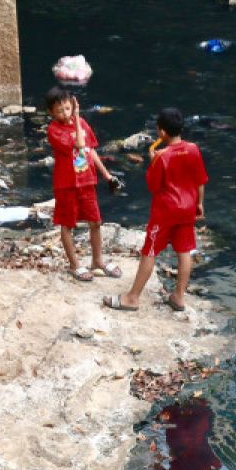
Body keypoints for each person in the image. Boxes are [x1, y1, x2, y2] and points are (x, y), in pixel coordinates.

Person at [103, 106, 207, 311]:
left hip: (166, 211)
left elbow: (153, 186)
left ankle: (132, 298)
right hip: (187, 208)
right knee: (184, 251)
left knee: (149, 251)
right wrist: (199, 204)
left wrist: (153, 163)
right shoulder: (194, 149)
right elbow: (200, 180)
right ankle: (178, 296)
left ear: (161, 132)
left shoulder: (162, 156)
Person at [45, 87, 121, 281]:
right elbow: (79, 144)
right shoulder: (54, 130)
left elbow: (90, 150)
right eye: (60, 110)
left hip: (87, 180)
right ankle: (74, 265)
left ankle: (97, 261)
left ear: (72, 106)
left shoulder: (84, 124)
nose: (65, 113)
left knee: (95, 221)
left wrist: (107, 175)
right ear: (51, 112)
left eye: (68, 108)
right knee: (67, 223)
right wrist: (77, 118)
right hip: (66, 184)